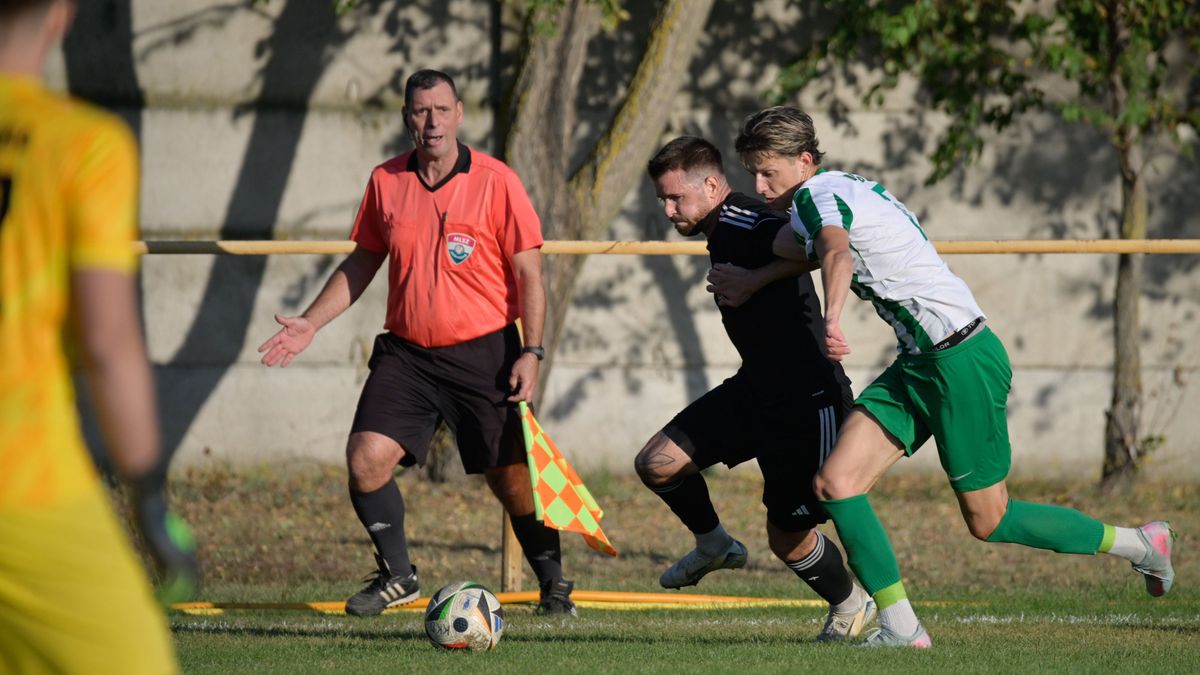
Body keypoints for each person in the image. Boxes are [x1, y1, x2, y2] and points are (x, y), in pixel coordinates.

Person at [717, 105, 1177, 647]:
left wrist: (833, 319)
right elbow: (813, 251)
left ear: (804, 161)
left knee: (990, 520)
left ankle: (1139, 543)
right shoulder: (827, 197)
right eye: (752, 172)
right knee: (836, 484)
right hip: (919, 362)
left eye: (768, 172)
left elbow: (836, 252)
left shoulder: (818, 196)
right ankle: (902, 628)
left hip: (960, 360)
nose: (759, 185)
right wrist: (753, 280)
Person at [258, 69, 575, 617]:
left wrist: (533, 351)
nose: (432, 121)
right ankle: (398, 575)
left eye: (442, 110)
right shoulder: (386, 181)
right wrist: (311, 322)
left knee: (512, 478)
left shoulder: (496, 180)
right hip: (407, 355)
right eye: (421, 111)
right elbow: (363, 260)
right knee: (365, 459)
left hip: (485, 353)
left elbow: (530, 274)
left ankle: (554, 586)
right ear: (407, 117)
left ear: (459, 114)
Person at [0, 0, 198, 671]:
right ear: (61, 14)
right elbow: (108, 342)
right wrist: (148, 500)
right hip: (23, 484)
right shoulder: (81, 144)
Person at [636, 136, 874, 642]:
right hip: (756, 389)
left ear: (711, 185)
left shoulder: (744, 219)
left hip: (807, 397)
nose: (668, 210)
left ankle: (855, 604)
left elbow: (821, 247)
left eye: (676, 198)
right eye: (662, 199)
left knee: (789, 540)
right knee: (657, 463)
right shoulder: (721, 228)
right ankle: (714, 545)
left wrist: (755, 280)